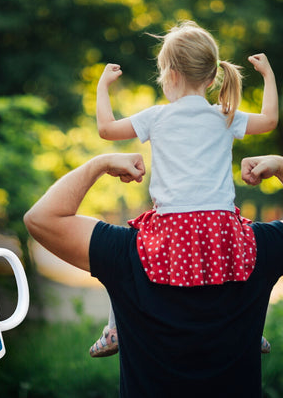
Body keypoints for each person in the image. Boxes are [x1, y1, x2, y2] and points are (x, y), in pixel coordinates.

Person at [24, 153, 283, 398]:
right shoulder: (256, 247)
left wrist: (99, 165)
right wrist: (281, 166)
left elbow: (41, 218)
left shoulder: (127, 251)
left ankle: (112, 329)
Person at [91, 20, 278, 356]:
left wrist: (102, 85)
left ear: (170, 75)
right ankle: (251, 329)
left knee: (122, 257)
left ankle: (115, 330)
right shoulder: (225, 115)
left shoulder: (156, 117)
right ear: (211, 78)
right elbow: (270, 120)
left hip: (171, 226)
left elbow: (106, 129)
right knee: (246, 261)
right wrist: (268, 76)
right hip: (220, 224)